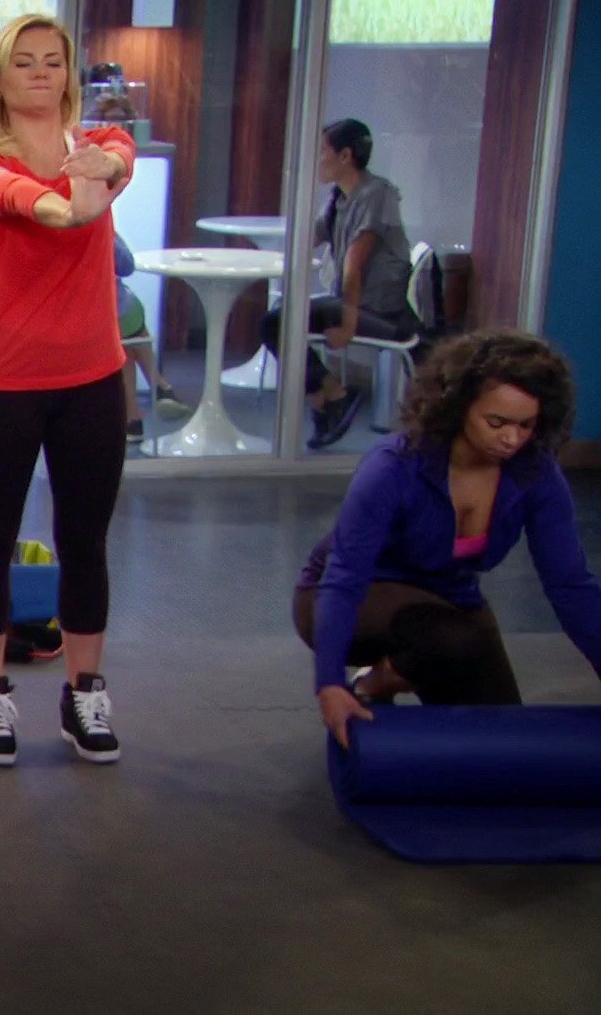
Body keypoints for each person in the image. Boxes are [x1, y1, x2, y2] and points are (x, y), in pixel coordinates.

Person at [0, 13, 132, 767]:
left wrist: (97, 173)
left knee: (84, 542)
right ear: (0, 78)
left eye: (53, 61)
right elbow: (32, 203)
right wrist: (74, 203)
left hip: (92, 379)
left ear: (68, 75)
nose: (39, 72)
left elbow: (116, 163)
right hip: (6, 381)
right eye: (23, 61)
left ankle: (84, 691)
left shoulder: (104, 146)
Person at [294, 330, 601, 749]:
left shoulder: (536, 473)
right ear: (458, 407)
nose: (511, 439)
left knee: (501, 738)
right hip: (346, 596)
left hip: (447, 602)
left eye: (525, 425)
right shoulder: (394, 466)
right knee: (452, 639)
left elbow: (570, 585)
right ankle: (371, 683)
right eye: (496, 422)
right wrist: (329, 684)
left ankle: (395, 675)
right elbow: (345, 575)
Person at [257, 118, 417, 451]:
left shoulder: (377, 195)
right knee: (277, 318)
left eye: (321, 152)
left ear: (345, 156)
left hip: (377, 310)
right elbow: (310, 239)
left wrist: (347, 325)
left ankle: (330, 396)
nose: (316, 161)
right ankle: (327, 396)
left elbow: (353, 269)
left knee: (276, 323)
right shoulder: (338, 199)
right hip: (351, 302)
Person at [114, 234, 191, 444]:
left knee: (125, 342)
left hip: (102, 315)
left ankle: (133, 417)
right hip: (109, 313)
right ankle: (160, 387)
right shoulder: (94, 225)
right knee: (128, 329)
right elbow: (126, 265)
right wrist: (109, 232)